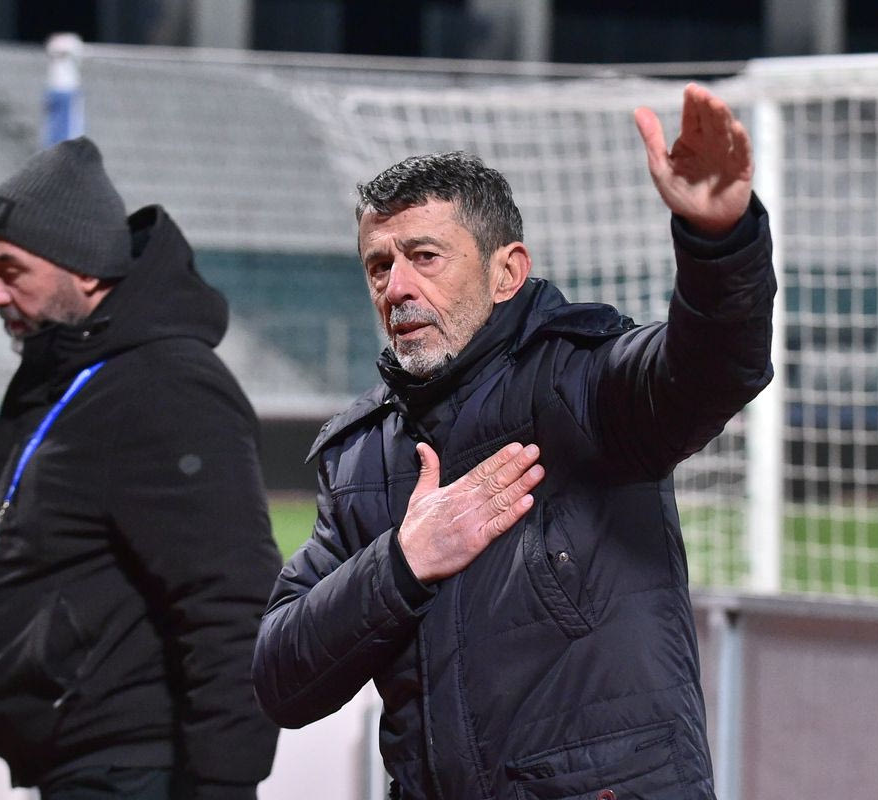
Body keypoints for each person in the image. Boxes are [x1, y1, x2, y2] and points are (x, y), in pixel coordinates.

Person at [253, 84, 774, 799]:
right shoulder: (361, 458)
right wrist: (403, 563)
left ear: (507, 273)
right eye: (379, 265)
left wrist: (720, 242)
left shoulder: (585, 383)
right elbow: (280, 678)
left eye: (424, 256)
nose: (397, 287)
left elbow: (714, 365)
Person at [0, 136, 282, 800]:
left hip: (138, 773)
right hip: (82, 769)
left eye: (10, 270)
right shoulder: (62, 374)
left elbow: (230, 602)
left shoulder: (167, 385)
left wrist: (224, 784)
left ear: (86, 271)